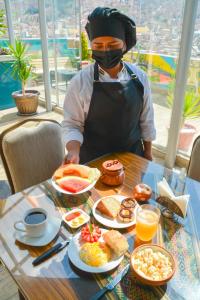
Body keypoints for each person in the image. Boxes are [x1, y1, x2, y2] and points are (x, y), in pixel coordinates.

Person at [62, 7, 156, 164]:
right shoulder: (80, 82)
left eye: (113, 45)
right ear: (91, 46)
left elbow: (146, 121)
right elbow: (72, 125)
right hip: (93, 162)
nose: (105, 51)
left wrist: (148, 152)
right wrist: (73, 151)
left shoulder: (140, 78)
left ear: (124, 45)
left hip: (132, 158)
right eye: (98, 45)